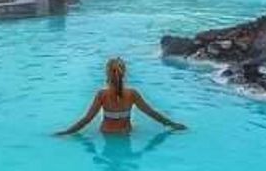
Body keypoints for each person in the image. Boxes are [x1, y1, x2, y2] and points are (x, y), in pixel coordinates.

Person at [55, 57, 186, 135]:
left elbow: (87, 119)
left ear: (107, 74)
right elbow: (151, 113)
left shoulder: (102, 95)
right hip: (126, 134)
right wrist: (172, 124)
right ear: (124, 74)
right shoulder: (132, 94)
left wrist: (66, 132)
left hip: (107, 134)